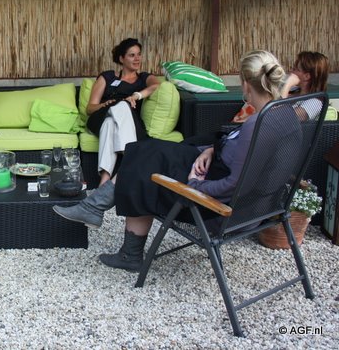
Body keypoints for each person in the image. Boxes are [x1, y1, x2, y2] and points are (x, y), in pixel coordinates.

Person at [54, 50, 287, 272]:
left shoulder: (256, 125)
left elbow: (233, 184)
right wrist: (211, 150)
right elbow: (242, 156)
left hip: (213, 205)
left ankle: (121, 243)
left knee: (142, 167)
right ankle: (97, 210)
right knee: (146, 151)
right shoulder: (280, 115)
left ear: (246, 84)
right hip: (226, 184)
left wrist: (195, 186)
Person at [85, 38, 159, 185]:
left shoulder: (144, 78)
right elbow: (89, 108)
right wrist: (104, 105)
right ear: (121, 59)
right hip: (101, 116)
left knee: (110, 123)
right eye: (132, 55)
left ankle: (104, 183)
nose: (137, 58)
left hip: (130, 123)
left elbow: (156, 85)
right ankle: (131, 158)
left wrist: (136, 96)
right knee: (120, 106)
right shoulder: (107, 77)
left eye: (139, 54)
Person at [280, 51, 328, 120]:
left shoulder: (314, 103)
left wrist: (287, 84)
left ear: (307, 76)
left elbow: (284, 119)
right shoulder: (293, 91)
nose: (290, 71)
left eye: (295, 69)